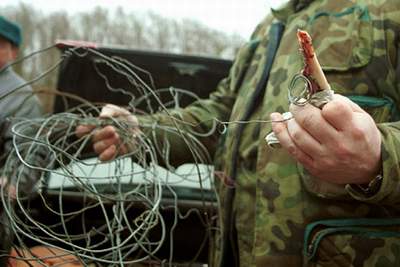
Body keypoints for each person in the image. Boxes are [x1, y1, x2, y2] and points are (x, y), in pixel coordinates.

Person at [78, 0, 400, 266]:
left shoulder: (389, 10)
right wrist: (143, 131)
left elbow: (381, 154)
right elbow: (222, 117)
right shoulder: (270, 27)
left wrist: (378, 158)